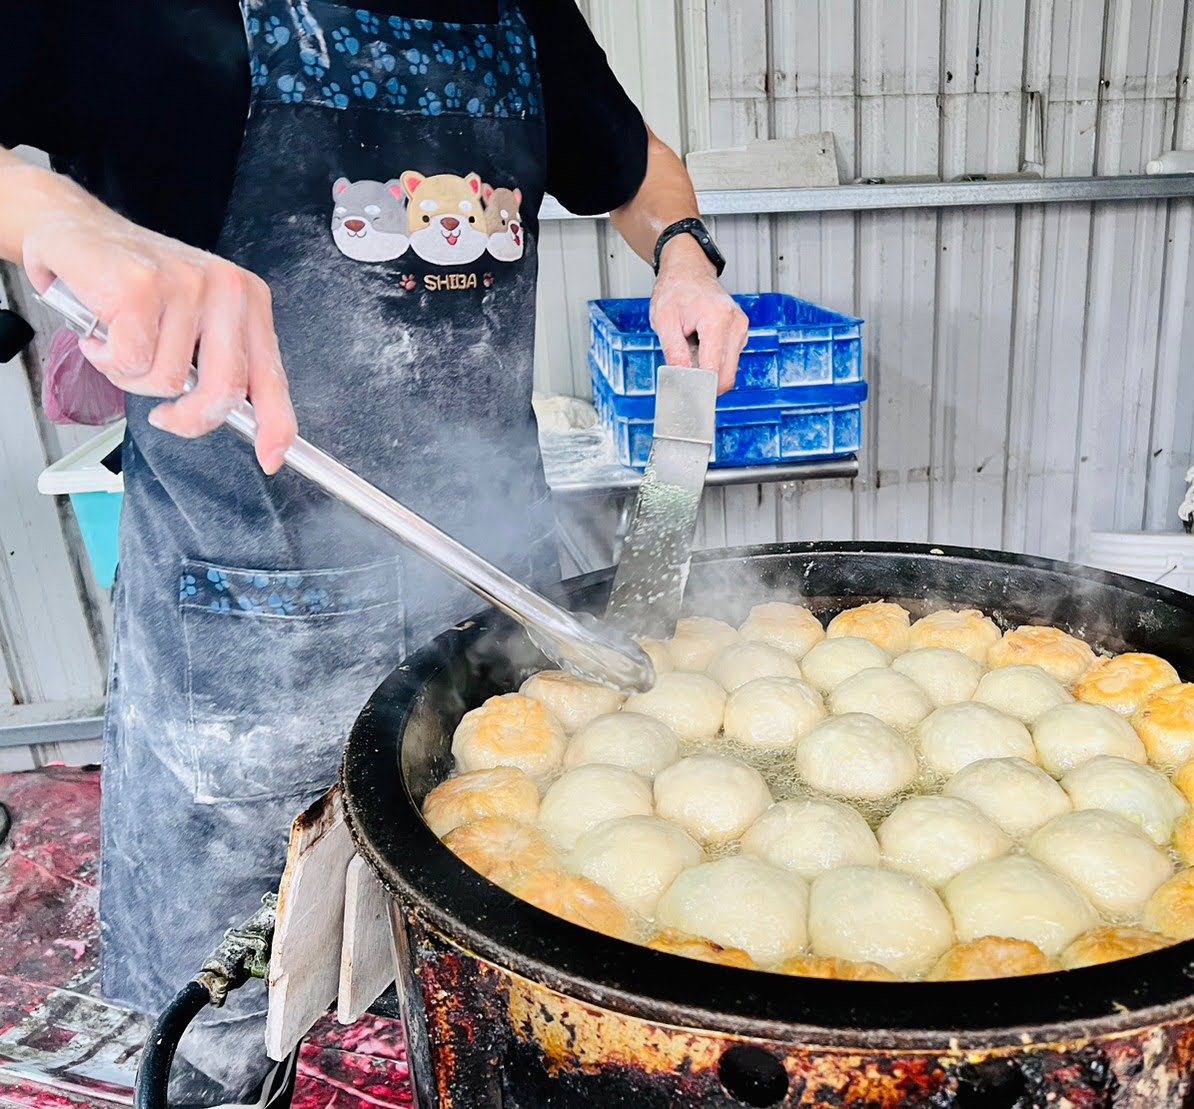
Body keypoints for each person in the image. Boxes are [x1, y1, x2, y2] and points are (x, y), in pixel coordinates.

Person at [0, 2, 747, 1104]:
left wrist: (685, 261)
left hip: (494, 614)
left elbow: (640, 172)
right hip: (248, 634)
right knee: (229, 1020)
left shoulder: (520, 17)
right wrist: (62, 215)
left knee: (508, 970)